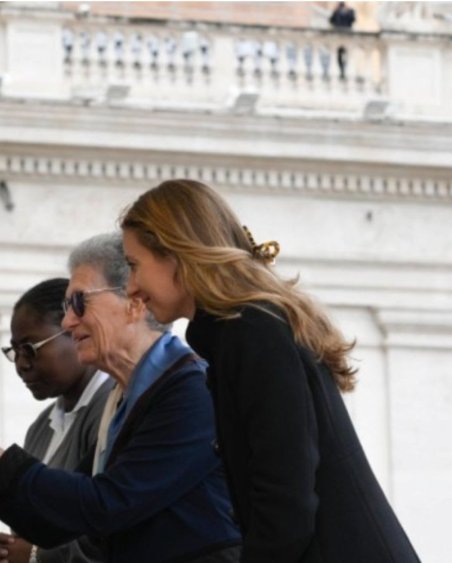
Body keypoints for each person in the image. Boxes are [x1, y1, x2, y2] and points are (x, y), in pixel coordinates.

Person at [120, 179, 420, 562]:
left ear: (177, 254)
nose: (130, 286)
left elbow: (285, 499)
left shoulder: (251, 331)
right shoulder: (240, 331)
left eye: (134, 266)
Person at [0, 233, 241, 563]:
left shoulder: (192, 389)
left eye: (79, 302)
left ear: (134, 301)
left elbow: (107, 505)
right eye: (66, 307)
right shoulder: (126, 397)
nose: (67, 321)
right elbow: (63, 519)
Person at [0, 278, 113, 563]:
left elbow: (110, 525)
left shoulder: (111, 410)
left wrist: (36, 555)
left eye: (31, 348)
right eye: (14, 350)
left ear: (76, 332)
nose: (21, 364)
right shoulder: (43, 425)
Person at [329, 2, 356, 79]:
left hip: (347, 37)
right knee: (339, 56)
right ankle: (342, 72)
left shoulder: (350, 11)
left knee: (346, 55)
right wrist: (335, 10)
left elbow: (353, 19)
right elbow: (331, 20)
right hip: (338, 37)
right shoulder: (336, 12)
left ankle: (345, 71)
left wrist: (349, 10)